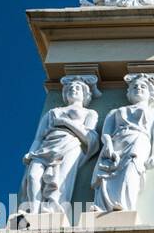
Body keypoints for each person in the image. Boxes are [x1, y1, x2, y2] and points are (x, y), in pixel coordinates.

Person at [18, 75, 99, 216]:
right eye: (70, 88)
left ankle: (51, 210)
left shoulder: (89, 113)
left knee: (60, 180)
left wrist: (66, 123)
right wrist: (30, 153)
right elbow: (38, 137)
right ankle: (33, 213)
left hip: (70, 145)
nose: (74, 89)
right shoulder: (53, 112)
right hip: (46, 146)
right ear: (65, 93)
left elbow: (90, 138)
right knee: (32, 176)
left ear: (85, 94)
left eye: (78, 88)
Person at [91, 73, 154, 213]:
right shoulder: (116, 111)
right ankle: (103, 206)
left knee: (131, 169)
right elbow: (106, 133)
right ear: (129, 92)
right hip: (115, 142)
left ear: (150, 92)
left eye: (143, 86)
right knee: (107, 172)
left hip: (138, 140)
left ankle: (123, 203)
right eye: (135, 86)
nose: (138, 88)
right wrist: (108, 145)